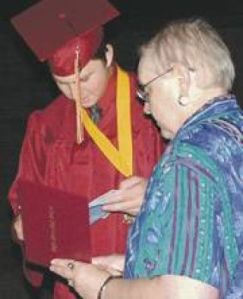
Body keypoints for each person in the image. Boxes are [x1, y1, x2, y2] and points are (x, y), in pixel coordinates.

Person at [49, 17, 243, 299]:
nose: (147, 107)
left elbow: (186, 295)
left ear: (182, 80)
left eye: (147, 90)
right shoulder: (233, 131)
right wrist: (131, 268)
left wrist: (104, 289)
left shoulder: (189, 159)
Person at [9, 0, 164, 298]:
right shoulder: (47, 125)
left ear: (107, 55)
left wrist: (155, 193)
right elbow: (25, 198)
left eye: (84, 79)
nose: (76, 94)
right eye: (63, 83)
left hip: (146, 274)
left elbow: (196, 184)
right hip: (75, 279)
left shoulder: (153, 105)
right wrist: (22, 227)